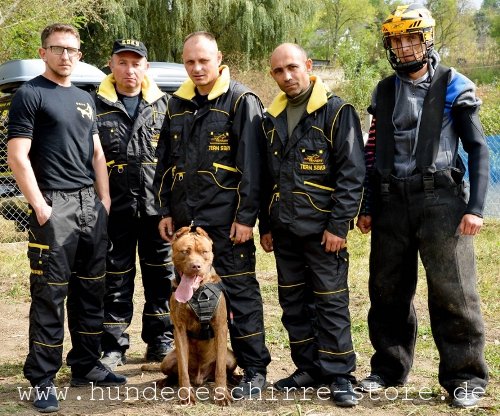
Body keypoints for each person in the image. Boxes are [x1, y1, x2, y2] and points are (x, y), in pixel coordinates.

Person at [356, 4, 489, 409]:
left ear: (426, 39)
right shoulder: (384, 90)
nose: (403, 46)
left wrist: (476, 207)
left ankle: (466, 376)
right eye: (395, 39)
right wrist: (368, 203)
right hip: (392, 201)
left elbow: (478, 149)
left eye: (410, 37)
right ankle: (388, 368)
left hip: (442, 200)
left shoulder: (454, 84)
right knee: (387, 289)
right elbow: (374, 148)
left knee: (454, 291)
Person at [7, 23, 126, 414]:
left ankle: (86, 364)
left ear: (80, 54)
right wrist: (41, 205)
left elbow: (96, 155)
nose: (66, 56)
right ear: (44, 52)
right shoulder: (29, 94)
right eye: (58, 49)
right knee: (50, 294)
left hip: (90, 206)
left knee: (92, 289)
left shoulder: (85, 98)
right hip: (53, 204)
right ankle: (42, 379)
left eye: (72, 50)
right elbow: (18, 155)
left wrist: (104, 199)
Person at [153, 31, 271, 398]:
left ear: (219, 58)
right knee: (187, 294)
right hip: (187, 223)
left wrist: (246, 217)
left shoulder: (241, 100)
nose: (197, 68)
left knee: (240, 295)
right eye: (190, 62)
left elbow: (254, 166)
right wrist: (165, 210)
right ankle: (196, 364)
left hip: (228, 222)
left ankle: (253, 369)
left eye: (204, 60)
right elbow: (165, 164)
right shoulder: (176, 104)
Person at [259, 43, 365, 407]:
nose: (286, 77)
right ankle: (307, 368)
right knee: (293, 302)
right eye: (278, 71)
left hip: (324, 233)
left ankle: (339, 374)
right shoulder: (270, 118)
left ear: (307, 65)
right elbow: (264, 178)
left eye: (292, 67)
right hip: (284, 230)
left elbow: (352, 175)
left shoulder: (336, 112)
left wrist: (338, 226)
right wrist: (265, 226)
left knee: (331, 302)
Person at [94, 39, 174, 370]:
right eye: (122, 62)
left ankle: (161, 342)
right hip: (116, 212)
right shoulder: (93, 106)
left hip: (158, 214)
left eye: (136, 63)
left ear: (146, 67)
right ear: (111, 65)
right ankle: (113, 345)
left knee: (162, 279)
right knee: (115, 279)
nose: (130, 69)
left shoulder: (166, 105)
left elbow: (175, 160)